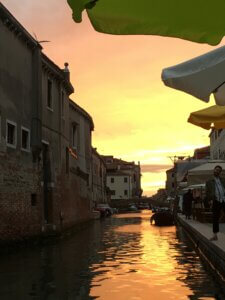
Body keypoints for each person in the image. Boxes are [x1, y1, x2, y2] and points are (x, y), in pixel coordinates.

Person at [206, 165, 225, 241]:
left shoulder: (223, 180)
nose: (217, 171)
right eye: (216, 169)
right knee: (215, 218)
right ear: (213, 170)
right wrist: (210, 199)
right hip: (216, 200)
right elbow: (207, 192)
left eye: (218, 170)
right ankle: (215, 235)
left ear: (220, 172)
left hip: (224, 199)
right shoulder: (209, 181)